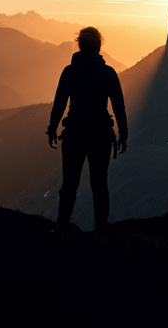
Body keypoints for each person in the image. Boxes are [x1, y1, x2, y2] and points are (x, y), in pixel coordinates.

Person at [47, 27, 128, 245]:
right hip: (101, 136)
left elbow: (60, 104)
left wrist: (52, 129)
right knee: (100, 186)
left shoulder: (69, 72)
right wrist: (124, 135)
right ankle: (101, 234)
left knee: (69, 185)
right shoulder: (108, 73)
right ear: (99, 46)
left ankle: (62, 230)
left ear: (80, 45)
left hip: (74, 135)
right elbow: (118, 106)